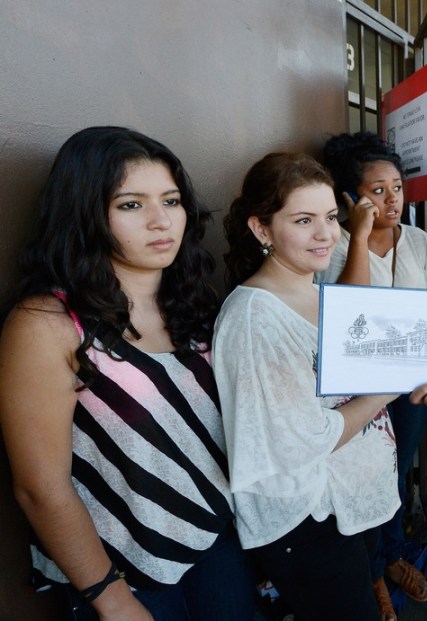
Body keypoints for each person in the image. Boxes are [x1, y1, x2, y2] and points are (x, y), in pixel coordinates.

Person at [0, 126, 256, 620]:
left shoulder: (196, 302)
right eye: (131, 205)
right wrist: (112, 601)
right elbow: (40, 488)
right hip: (124, 571)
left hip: (217, 540)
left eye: (172, 200)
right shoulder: (48, 324)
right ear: (86, 212)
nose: (162, 221)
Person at [214, 152, 407, 621]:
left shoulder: (317, 290)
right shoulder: (255, 318)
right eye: (304, 220)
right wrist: (386, 390)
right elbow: (302, 439)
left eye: (329, 218)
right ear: (262, 229)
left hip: (349, 507)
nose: (325, 234)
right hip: (309, 523)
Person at [316, 132, 427, 619]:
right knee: (358, 481)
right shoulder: (333, 244)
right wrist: (360, 237)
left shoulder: (420, 241)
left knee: (395, 475)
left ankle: (388, 559)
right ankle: (372, 576)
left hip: (410, 387)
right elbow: (349, 308)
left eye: (396, 188)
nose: (391, 199)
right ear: (350, 198)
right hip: (352, 394)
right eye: (377, 190)